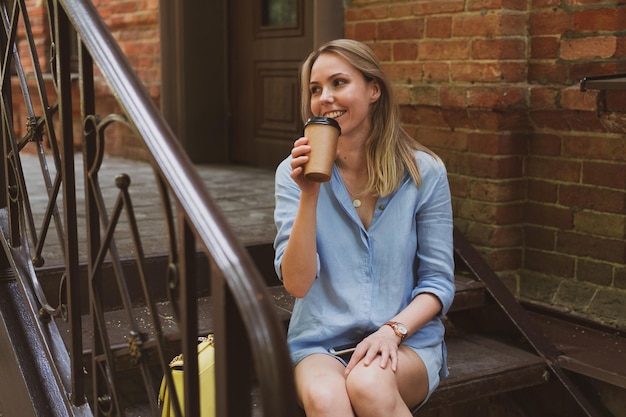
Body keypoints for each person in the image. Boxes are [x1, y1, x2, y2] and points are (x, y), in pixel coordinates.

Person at [273, 39, 455, 417]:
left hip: (405, 341)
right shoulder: (292, 175)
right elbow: (297, 284)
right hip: (320, 344)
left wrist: (393, 331)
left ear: (373, 90)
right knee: (327, 400)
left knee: (368, 382)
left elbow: (438, 284)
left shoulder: (424, 173)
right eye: (315, 89)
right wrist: (310, 194)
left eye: (339, 83)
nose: (325, 97)